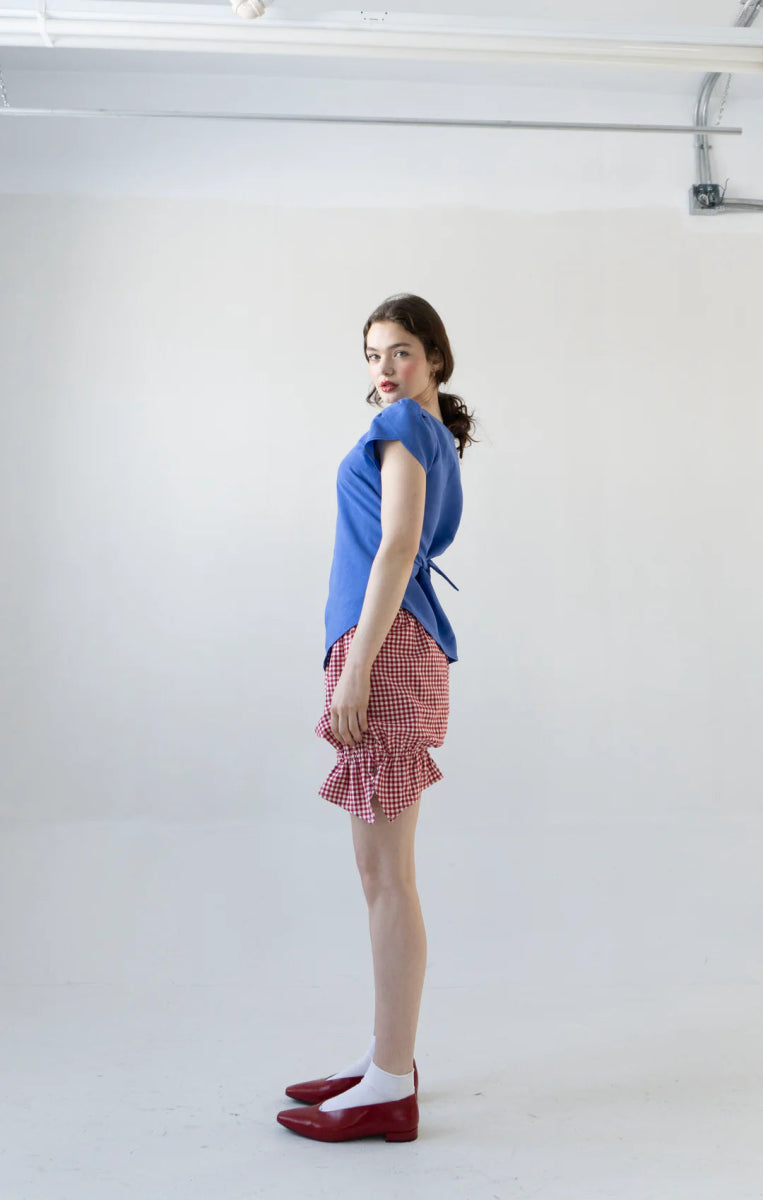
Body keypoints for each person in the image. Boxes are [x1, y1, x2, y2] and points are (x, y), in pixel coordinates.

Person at [277, 293, 477, 1143]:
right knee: (379, 876)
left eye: (399, 351)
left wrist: (356, 665)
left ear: (433, 357)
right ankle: (383, 1059)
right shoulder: (425, 433)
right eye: (372, 354)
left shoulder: (401, 429)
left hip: (385, 648)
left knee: (387, 878)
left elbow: (397, 545)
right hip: (393, 641)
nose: (384, 368)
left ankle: (390, 1086)